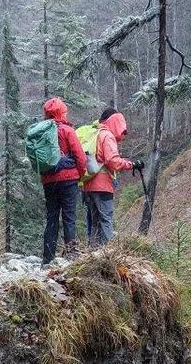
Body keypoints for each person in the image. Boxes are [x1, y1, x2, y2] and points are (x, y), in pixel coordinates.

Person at [82, 107, 144, 246]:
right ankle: (107, 254)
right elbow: (112, 161)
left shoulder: (96, 133)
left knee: (95, 221)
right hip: (102, 185)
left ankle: (93, 253)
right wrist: (131, 164)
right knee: (105, 219)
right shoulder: (107, 135)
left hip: (88, 185)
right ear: (116, 122)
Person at [39, 97, 87, 264]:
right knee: (69, 216)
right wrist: (81, 175)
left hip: (48, 181)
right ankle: (71, 255)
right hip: (68, 180)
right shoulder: (67, 131)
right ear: (61, 113)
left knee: (52, 217)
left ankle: (47, 258)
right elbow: (80, 156)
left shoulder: (42, 132)